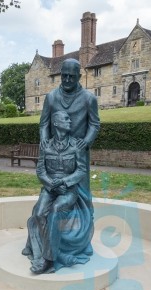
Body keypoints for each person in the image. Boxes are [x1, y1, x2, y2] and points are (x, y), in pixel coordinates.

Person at [23, 110, 94, 274]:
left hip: (69, 190)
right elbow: (40, 171)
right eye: (66, 119)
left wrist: (64, 182)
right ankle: (51, 252)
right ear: (56, 123)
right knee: (39, 213)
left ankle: (48, 260)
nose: (70, 121)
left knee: (55, 210)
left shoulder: (76, 145)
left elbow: (81, 170)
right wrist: (51, 185)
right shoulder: (46, 145)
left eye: (70, 118)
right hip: (50, 188)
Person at [40, 58, 100, 196]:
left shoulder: (89, 98)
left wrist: (86, 142)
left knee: (81, 191)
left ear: (79, 77)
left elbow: (94, 124)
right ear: (60, 74)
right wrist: (44, 140)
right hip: (55, 151)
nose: (67, 79)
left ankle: (83, 214)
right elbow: (44, 123)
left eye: (71, 76)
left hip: (78, 149)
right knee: (52, 187)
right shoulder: (51, 97)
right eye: (64, 76)